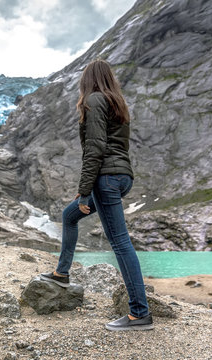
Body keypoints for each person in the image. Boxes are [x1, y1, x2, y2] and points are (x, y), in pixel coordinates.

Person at [40, 59, 153, 331]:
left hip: (105, 178)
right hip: (121, 176)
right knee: (70, 216)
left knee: (120, 243)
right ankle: (62, 273)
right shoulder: (117, 102)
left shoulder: (93, 100)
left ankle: (140, 313)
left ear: (87, 80)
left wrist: (84, 190)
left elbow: (95, 147)